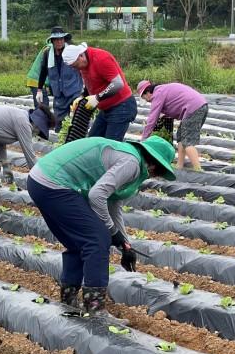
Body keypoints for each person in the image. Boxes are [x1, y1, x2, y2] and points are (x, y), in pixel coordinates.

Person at [28, 135, 176, 318]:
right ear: (154, 165)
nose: (153, 175)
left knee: (79, 243)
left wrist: (124, 244)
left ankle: (69, 301)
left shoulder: (127, 156)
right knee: (97, 239)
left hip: (39, 181)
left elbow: (113, 205)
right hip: (55, 183)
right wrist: (112, 233)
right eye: (157, 172)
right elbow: (96, 195)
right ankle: (95, 308)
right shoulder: (131, 163)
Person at [0, 104, 55, 209]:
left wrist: (6, 167)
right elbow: (30, 156)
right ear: (36, 125)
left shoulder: (20, 116)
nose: (35, 134)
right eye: (38, 132)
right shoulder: (24, 124)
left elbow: (1, 141)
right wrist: (42, 180)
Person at [62, 43, 137, 141]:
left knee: (110, 146)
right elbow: (92, 83)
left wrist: (97, 97)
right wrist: (82, 97)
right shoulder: (83, 64)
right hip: (106, 109)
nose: (76, 69)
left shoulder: (101, 58)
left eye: (75, 65)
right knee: (93, 142)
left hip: (122, 106)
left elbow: (118, 84)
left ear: (80, 56)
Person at [137, 80, 209, 172]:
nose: (147, 101)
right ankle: (179, 165)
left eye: (144, 98)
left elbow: (152, 119)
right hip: (200, 105)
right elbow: (174, 103)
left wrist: (143, 139)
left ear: (147, 93)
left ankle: (198, 169)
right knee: (180, 136)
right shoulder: (162, 90)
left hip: (194, 108)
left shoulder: (157, 94)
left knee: (187, 141)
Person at [35, 26, 82, 131]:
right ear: (52, 41)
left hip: (74, 90)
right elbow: (43, 72)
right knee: (59, 122)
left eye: (61, 39)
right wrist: (39, 90)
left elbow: (82, 67)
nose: (59, 42)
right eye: (56, 39)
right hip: (58, 93)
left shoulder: (72, 50)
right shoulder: (48, 53)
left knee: (78, 119)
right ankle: (61, 142)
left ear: (64, 39)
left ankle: (78, 141)